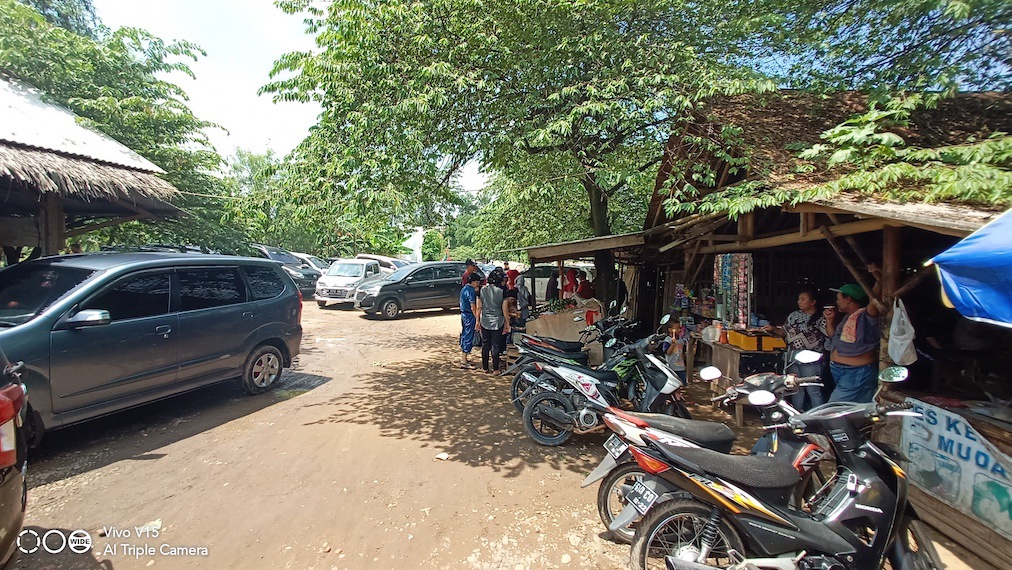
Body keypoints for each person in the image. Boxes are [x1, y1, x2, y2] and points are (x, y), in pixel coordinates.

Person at [763, 288, 828, 410]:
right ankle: (796, 416)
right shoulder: (794, 315)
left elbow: (829, 335)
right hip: (793, 357)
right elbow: (784, 332)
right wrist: (772, 329)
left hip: (811, 360)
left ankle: (818, 418)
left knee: (813, 390)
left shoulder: (821, 318)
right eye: (799, 299)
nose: (799, 302)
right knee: (795, 389)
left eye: (803, 299)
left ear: (813, 302)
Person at [824, 283, 881, 403]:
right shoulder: (848, 318)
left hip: (856, 373)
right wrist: (829, 321)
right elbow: (834, 339)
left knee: (833, 409)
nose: (836, 302)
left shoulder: (866, 316)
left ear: (848, 299)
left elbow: (873, 300)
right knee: (857, 409)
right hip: (842, 371)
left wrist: (878, 280)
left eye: (839, 299)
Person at [476, 269, 510, 375]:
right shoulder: (502, 292)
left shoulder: (482, 290)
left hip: (485, 320)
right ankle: (496, 369)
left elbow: (479, 307)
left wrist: (477, 321)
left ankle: (485, 368)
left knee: (485, 345)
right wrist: (507, 322)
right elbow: (505, 309)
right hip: (497, 321)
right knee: (495, 345)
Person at [458, 273, 481, 369]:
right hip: (469, 316)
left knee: (465, 334)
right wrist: (477, 319)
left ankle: (464, 358)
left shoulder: (464, 289)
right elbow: (473, 307)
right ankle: (464, 361)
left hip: (464, 314)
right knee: (468, 335)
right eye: (477, 282)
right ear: (474, 282)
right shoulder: (471, 291)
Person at [663, 318, 687, 383]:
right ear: (670, 330)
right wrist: (673, 343)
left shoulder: (681, 340)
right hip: (671, 367)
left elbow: (683, 352)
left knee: (681, 383)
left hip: (681, 367)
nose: (679, 330)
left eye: (680, 328)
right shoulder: (668, 340)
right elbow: (668, 352)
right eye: (677, 328)